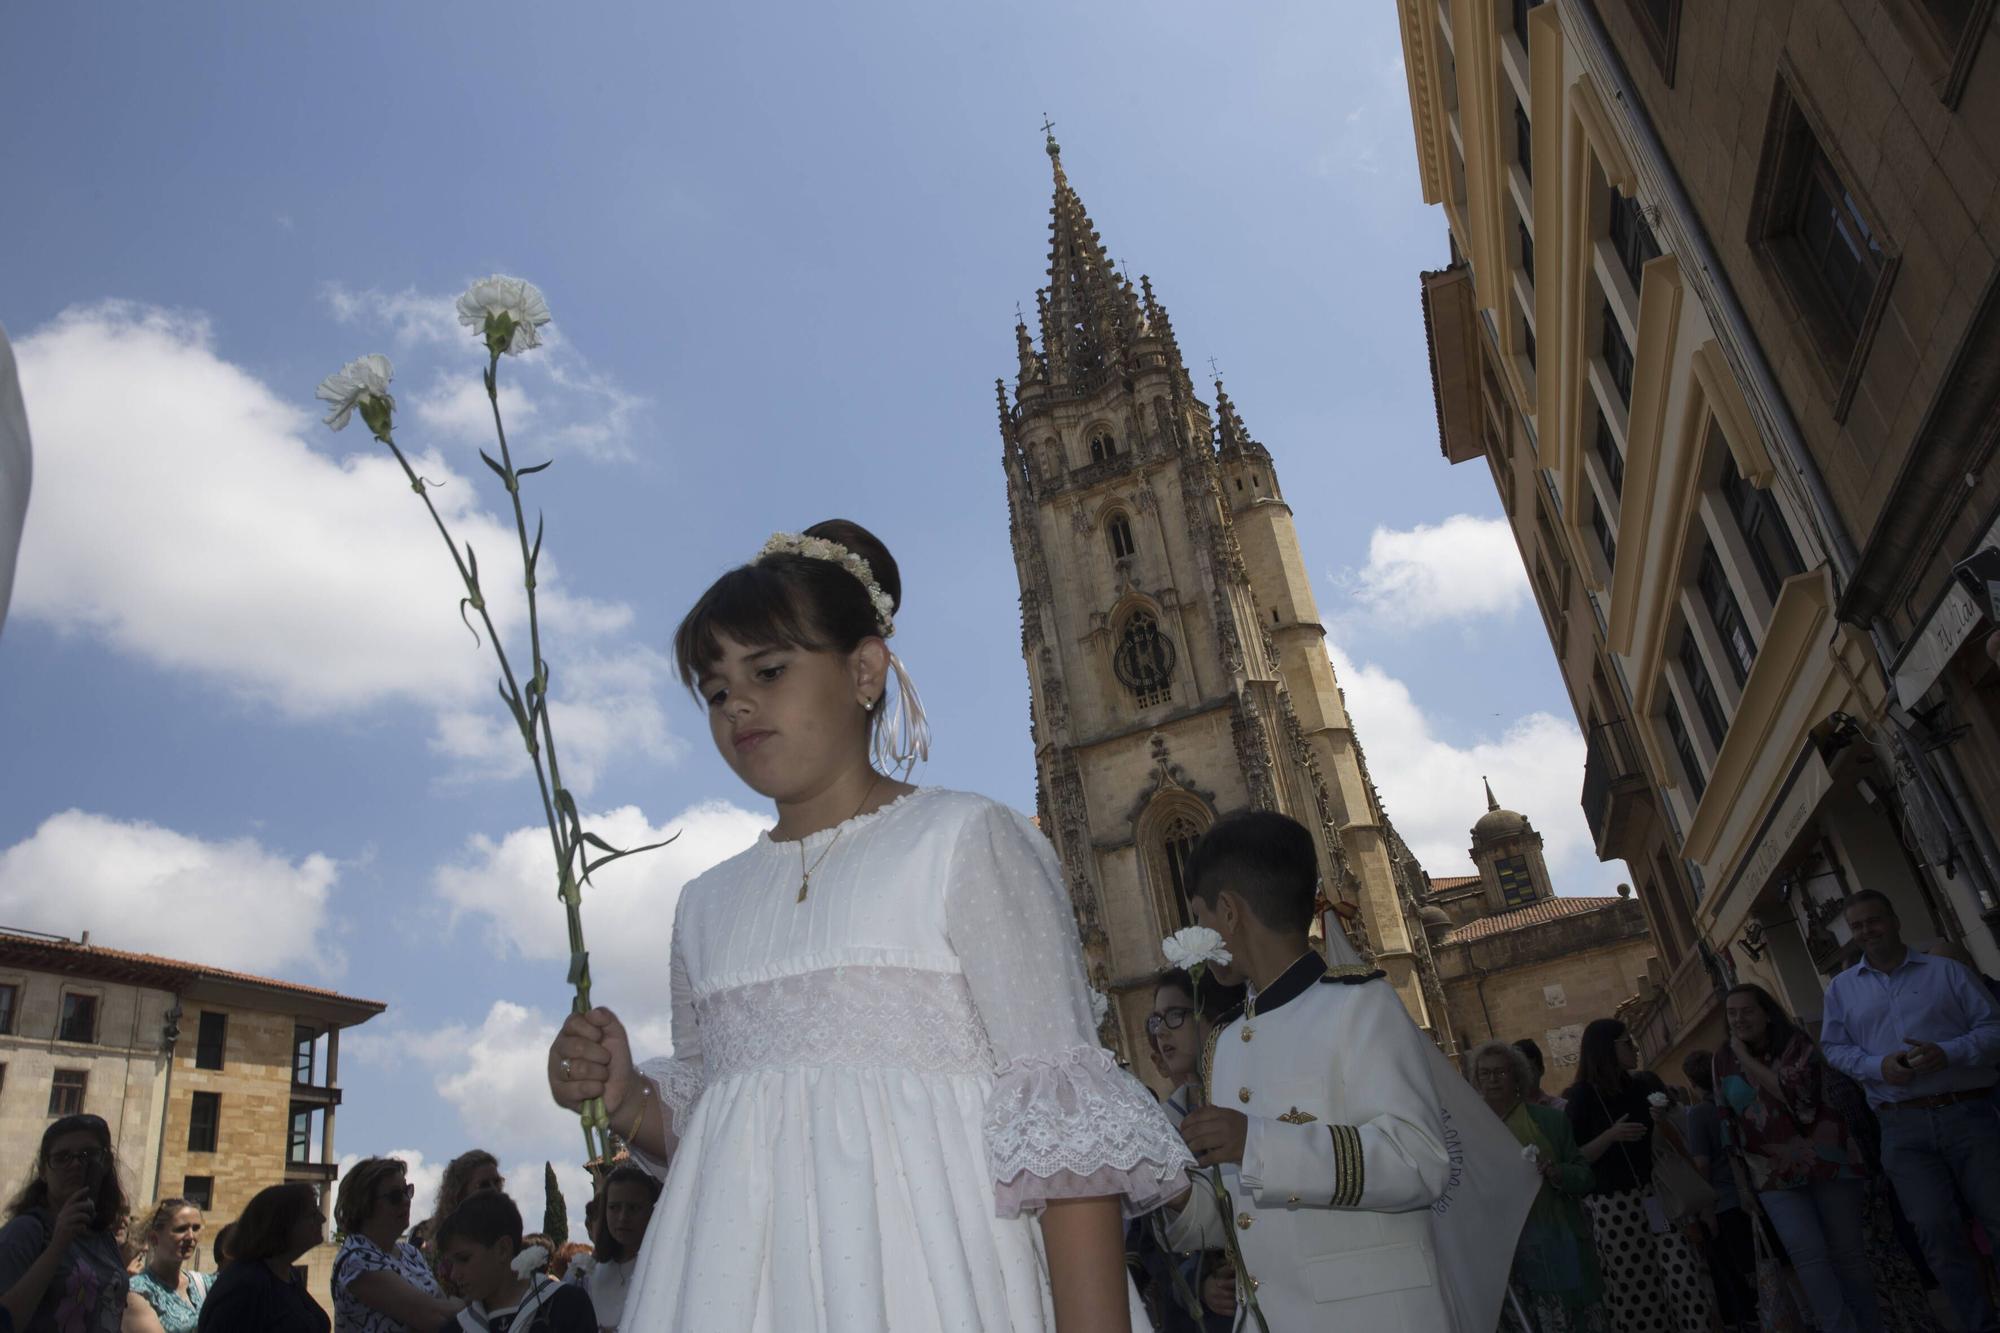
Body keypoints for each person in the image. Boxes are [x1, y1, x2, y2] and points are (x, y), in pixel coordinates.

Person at [545, 521, 1192, 1331]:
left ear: (864, 669)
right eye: (715, 690)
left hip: (944, 1282)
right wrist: (627, 1095)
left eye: (769, 670)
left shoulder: (965, 840)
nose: (737, 702)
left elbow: (1064, 1137)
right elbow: (718, 1130)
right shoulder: (703, 904)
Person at [1160, 809, 1456, 1328]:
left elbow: (1419, 1160)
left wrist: (1255, 1141)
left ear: (1228, 912)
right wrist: (1173, 1189)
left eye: (1200, 915)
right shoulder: (1224, 1043)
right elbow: (1242, 1212)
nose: (1198, 929)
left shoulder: (1359, 1005)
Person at [1821, 889, 2000, 1333]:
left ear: (1895, 920)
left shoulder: (1947, 973)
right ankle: (1979, 1324)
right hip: (1901, 1125)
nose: (1867, 931)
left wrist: (1950, 1053)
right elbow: (1834, 1049)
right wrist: (1877, 1067)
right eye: (1858, 926)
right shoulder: (1842, 990)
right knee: (1936, 1233)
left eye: (1874, 921)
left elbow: (1994, 1028)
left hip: (1967, 1114)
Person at [1715, 983, 1882, 1333]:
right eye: (1732, 1013)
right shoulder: (1721, 1059)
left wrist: (1745, 1058)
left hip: (1827, 1160)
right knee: (1808, 1258)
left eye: (1746, 1011)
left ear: (1766, 1014)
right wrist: (1742, 1184)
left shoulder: (1796, 1044)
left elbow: (1797, 1096)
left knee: (1848, 1256)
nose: (1738, 1019)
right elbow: (1726, 1122)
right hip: (1771, 1173)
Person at [1564, 1018, 1717, 1331]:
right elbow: (1575, 1158)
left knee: (1685, 1278)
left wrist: (1661, 1121)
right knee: (1636, 1291)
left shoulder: (1643, 1085)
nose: (1634, 1048)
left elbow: (1669, 1142)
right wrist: (1611, 1136)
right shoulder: (1580, 1096)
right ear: (1606, 1048)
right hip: (1614, 1205)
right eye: (1625, 1043)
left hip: (1657, 1193)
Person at [1468, 1040, 1608, 1332]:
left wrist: (1557, 1173)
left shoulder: (1550, 1121)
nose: (1492, 1080)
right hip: (1503, 1256)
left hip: (1555, 1244)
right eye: (1485, 1073)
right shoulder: (1468, 1132)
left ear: (1517, 1077)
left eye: (1500, 1073)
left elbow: (1584, 1176)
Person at [1130, 969, 1231, 1333]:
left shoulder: (1252, 1107)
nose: (1161, 1032)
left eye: (1175, 1015)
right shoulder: (1161, 1125)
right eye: (1156, 1020)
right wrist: (1198, 1282)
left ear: (1214, 1019)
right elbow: (1148, 1245)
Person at [0, 1113, 133, 1331]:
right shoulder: (26, 1232)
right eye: (62, 1157)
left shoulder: (104, 1238)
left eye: (87, 1155)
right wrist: (58, 1243)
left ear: (105, 1164)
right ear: (43, 1171)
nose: (75, 1165)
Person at [431, 1193, 593, 1333]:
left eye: (464, 1259)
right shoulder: (458, 1327)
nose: (454, 1274)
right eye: (451, 1263)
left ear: (502, 1249)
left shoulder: (566, 1306)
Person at [331, 1158, 459, 1333]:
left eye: (407, 1191)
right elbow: (430, 1315)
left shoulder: (410, 1253)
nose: (406, 1200)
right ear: (364, 1205)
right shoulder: (356, 1260)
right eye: (395, 1196)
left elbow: (444, 1310)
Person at [1681, 1050, 1758, 1332]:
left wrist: (1706, 1210)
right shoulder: (1735, 1101)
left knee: (1738, 1278)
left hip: (1723, 1204)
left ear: (1691, 1080)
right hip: (1753, 1195)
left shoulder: (1699, 1113)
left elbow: (1702, 1164)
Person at [194, 1183, 327, 1333]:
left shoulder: (289, 1274)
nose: (322, 1219)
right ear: (282, 1223)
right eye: (312, 1215)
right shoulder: (245, 1285)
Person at [583, 1168, 656, 1332]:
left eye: (634, 1208)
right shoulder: (592, 1272)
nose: (623, 1217)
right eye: (614, 1208)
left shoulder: (659, 1267)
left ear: (652, 1211)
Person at [129, 1199, 210, 1332]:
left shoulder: (203, 1283)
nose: (191, 1236)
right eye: (181, 1229)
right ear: (155, 1238)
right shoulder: (138, 1292)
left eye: (195, 1228)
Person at [1516, 1038, 1568, 1111]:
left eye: (1529, 1070)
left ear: (1541, 1070)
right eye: (1518, 1071)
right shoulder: (1505, 1112)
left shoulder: (1561, 1108)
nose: (1524, 1076)